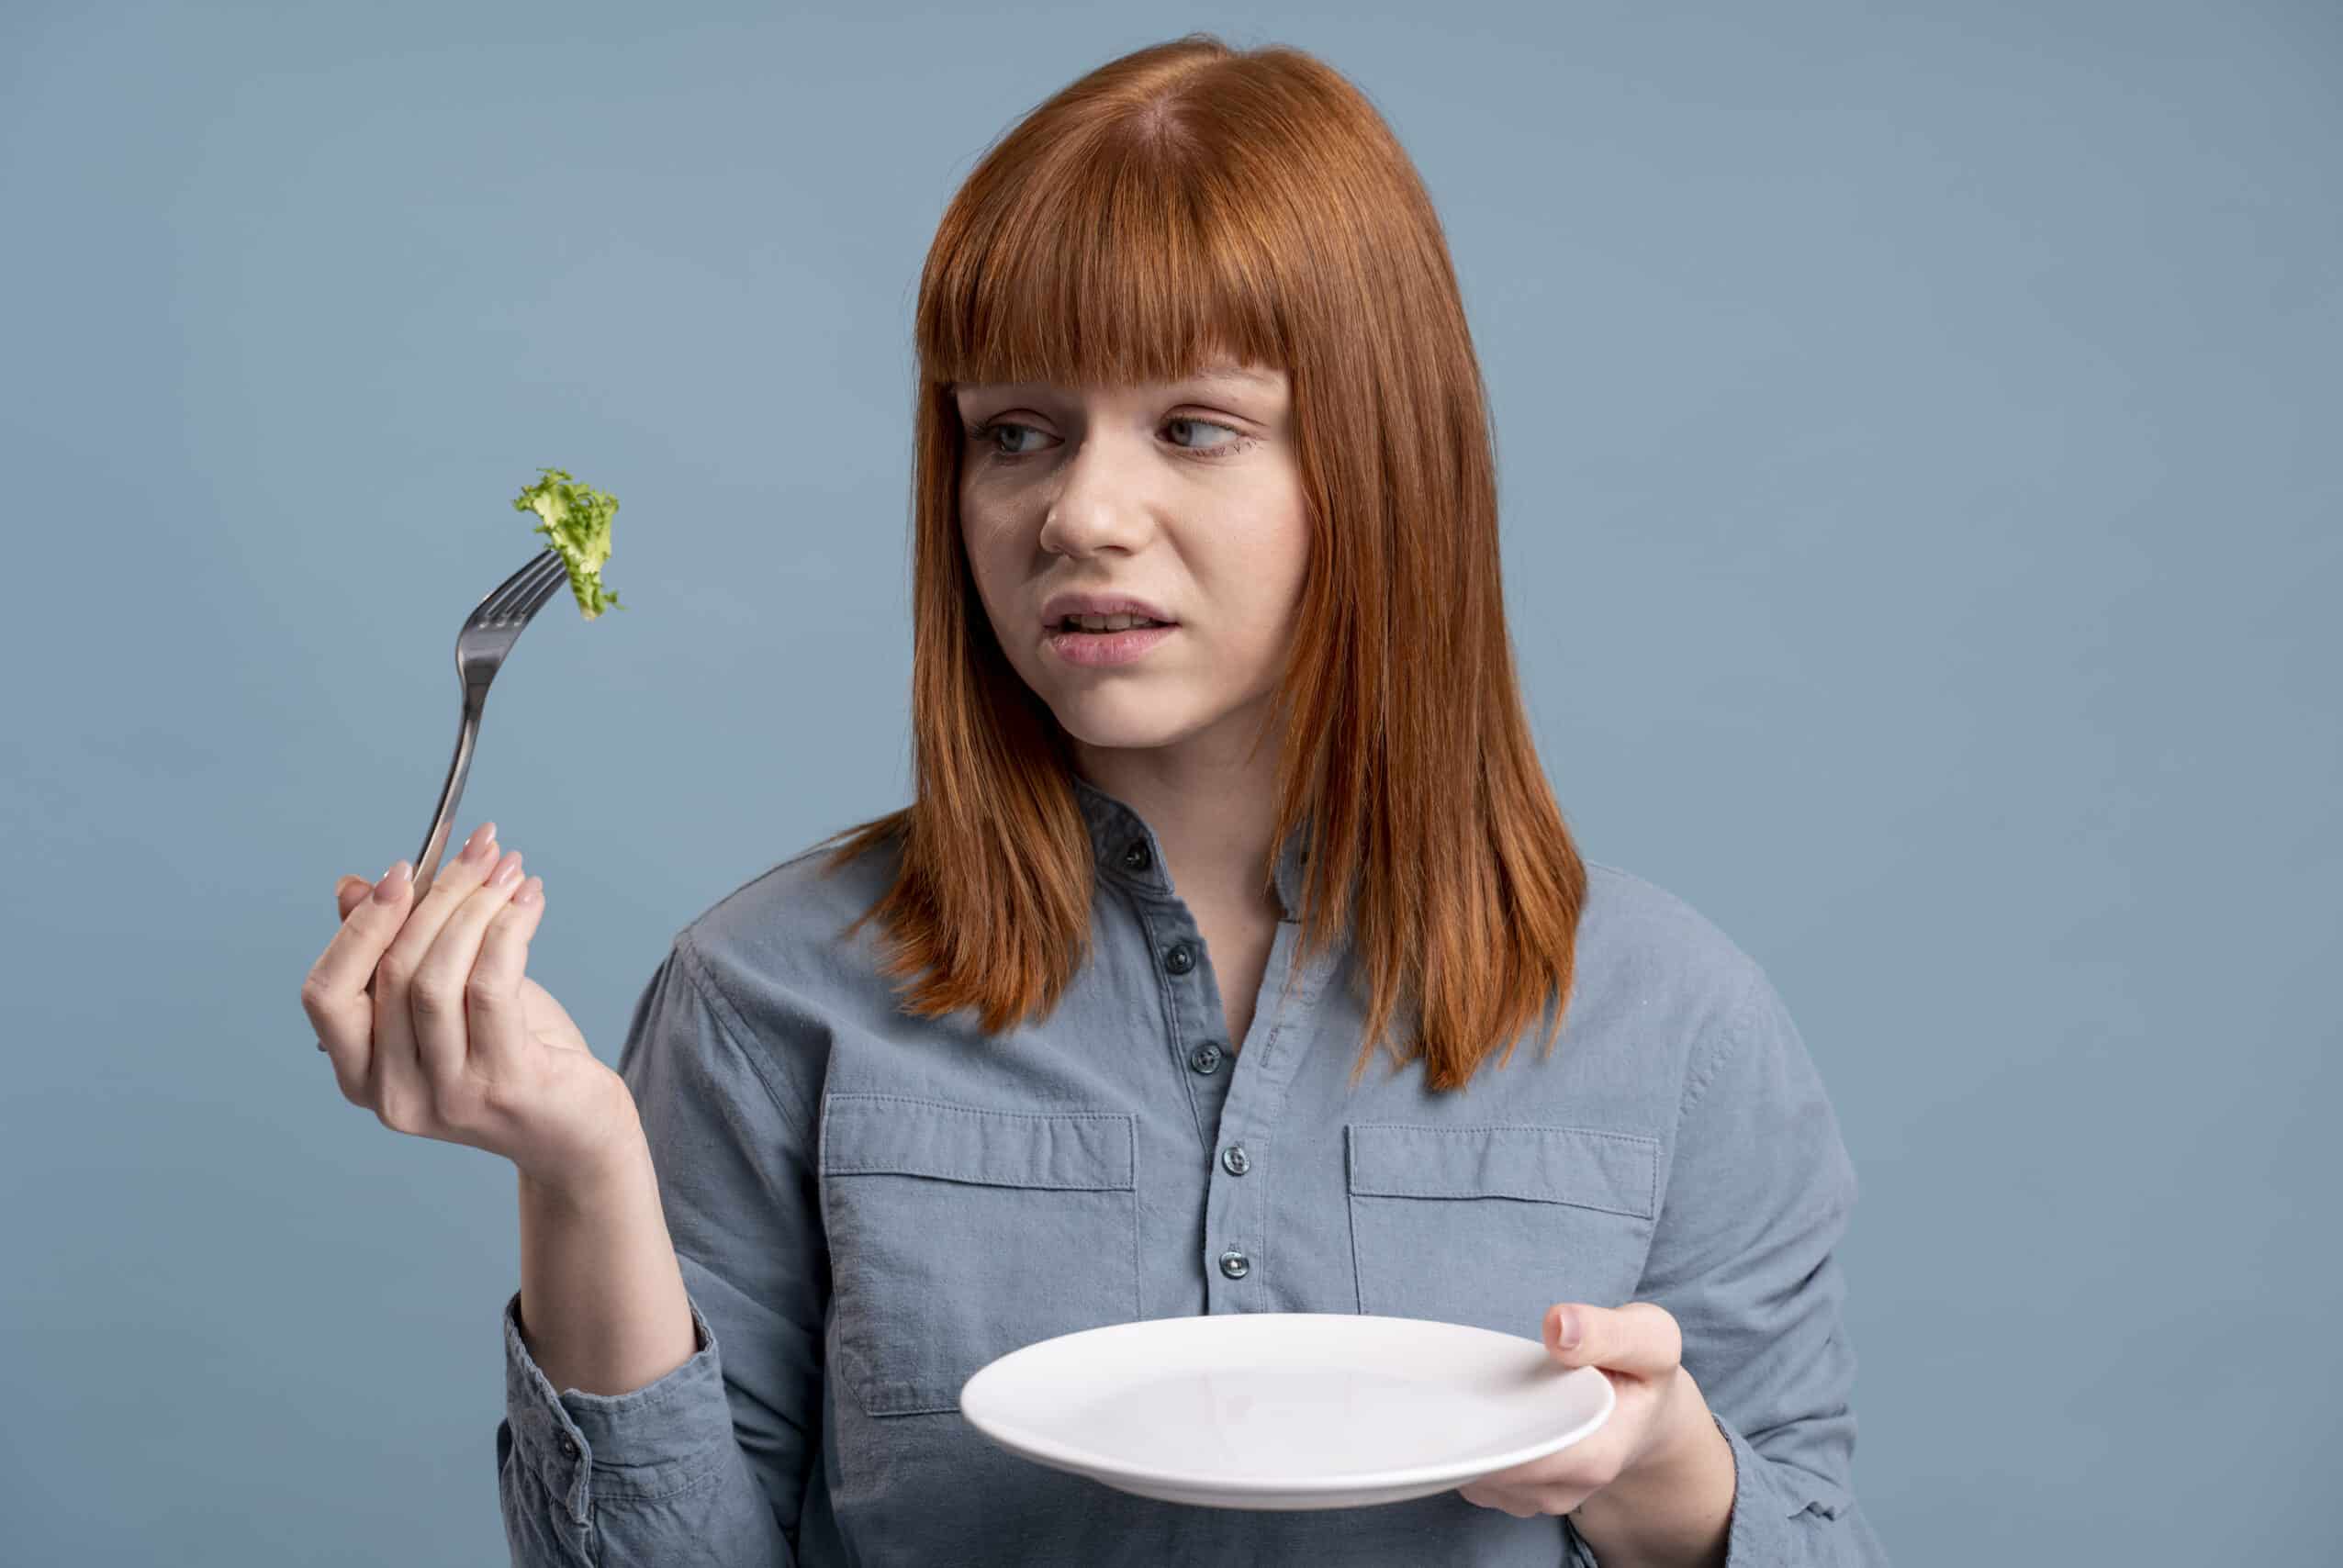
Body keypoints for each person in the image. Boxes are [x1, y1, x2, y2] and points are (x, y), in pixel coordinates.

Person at [302, 32, 1888, 1567]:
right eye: (1016, 433)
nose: (1080, 511)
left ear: (1384, 464)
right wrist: (582, 1167)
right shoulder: (763, 999)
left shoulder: (1674, 1025)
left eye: (1195, 427)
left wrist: (1669, 1471)